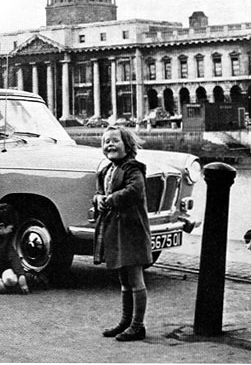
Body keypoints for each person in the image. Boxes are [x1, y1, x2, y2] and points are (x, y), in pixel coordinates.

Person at [93, 125, 152, 342]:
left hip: (132, 230)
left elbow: (135, 190)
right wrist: (98, 198)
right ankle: (125, 321)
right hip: (115, 230)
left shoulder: (133, 168)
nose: (110, 144)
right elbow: (100, 191)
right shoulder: (106, 169)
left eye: (115, 140)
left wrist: (109, 199)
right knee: (124, 278)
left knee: (135, 278)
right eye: (106, 141)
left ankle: (138, 325)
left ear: (127, 145)